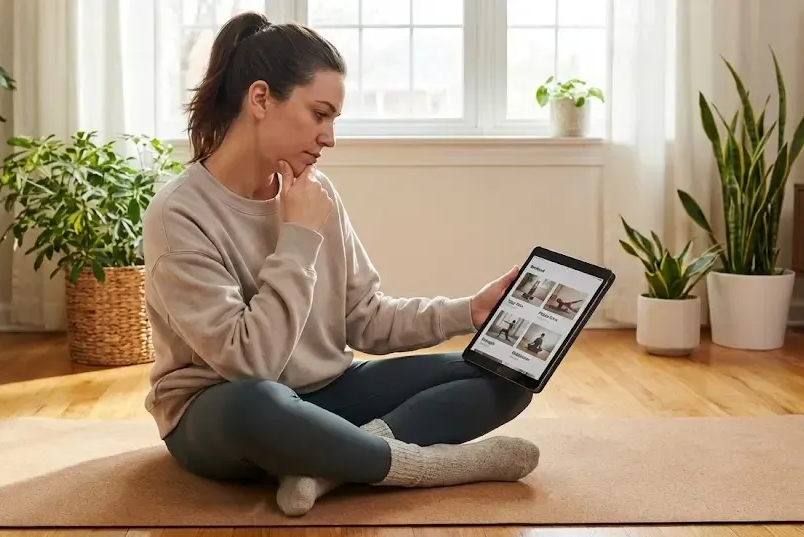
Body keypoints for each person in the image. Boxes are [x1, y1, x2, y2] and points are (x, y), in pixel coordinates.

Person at [141, 11, 540, 517]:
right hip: (221, 412)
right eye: (319, 114)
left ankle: (327, 468)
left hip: (327, 392)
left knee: (505, 375)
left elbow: (365, 318)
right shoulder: (179, 214)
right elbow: (250, 365)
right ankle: (427, 467)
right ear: (261, 99)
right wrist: (299, 236)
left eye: (333, 120)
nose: (329, 137)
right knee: (258, 403)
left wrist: (469, 311)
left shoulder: (318, 192)